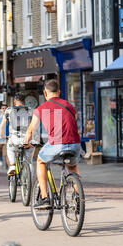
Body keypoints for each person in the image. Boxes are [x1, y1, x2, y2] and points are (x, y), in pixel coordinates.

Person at [24, 80, 82, 208]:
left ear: (45, 93)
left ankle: (44, 197)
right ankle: (79, 199)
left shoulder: (41, 109)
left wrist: (26, 143)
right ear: (59, 92)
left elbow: (31, 129)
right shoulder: (70, 105)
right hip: (75, 143)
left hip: (57, 144)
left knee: (40, 161)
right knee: (72, 167)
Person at [0, 92, 34, 176]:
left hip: (15, 138)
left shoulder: (9, 110)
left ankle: (12, 165)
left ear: (15, 101)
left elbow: (2, 125)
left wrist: (1, 135)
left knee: (10, 148)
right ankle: (30, 181)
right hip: (28, 139)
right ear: (24, 101)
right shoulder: (31, 110)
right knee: (29, 161)